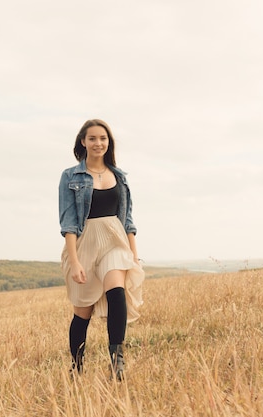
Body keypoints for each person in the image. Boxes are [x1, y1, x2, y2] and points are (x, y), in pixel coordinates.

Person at [58, 119, 145, 380]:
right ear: (83, 142)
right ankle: (76, 366)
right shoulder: (70, 176)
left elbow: (128, 220)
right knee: (82, 313)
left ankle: (117, 361)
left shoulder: (119, 176)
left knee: (117, 291)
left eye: (103, 138)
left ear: (109, 143)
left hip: (115, 241)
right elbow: (69, 222)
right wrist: (74, 262)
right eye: (93, 138)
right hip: (85, 243)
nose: (99, 143)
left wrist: (134, 255)